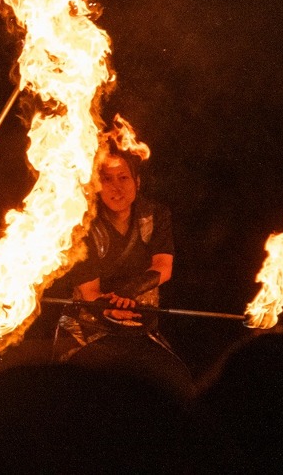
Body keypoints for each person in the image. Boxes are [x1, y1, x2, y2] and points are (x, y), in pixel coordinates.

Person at [53, 144, 193, 399]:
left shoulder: (155, 215)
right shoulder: (81, 223)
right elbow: (90, 292)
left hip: (141, 328)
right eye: (107, 179)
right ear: (96, 185)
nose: (116, 187)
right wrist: (110, 306)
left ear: (137, 182)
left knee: (177, 385)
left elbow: (164, 267)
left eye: (123, 178)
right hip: (88, 330)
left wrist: (130, 291)